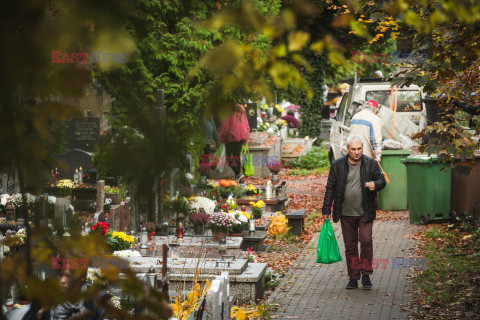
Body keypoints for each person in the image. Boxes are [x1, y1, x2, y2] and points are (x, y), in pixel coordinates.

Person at [321, 134, 386, 290]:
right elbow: (330, 188)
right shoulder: (337, 165)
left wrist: (375, 184)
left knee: (365, 241)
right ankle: (353, 277)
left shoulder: (370, 164)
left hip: (365, 211)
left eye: (359, 148)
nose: (357, 152)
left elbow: (382, 180)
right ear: (347, 149)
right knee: (350, 246)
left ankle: (365, 275)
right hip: (345, 213)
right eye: (353, 149)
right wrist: (326, 208)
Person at [218, 104, 250, 182]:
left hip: (232, 136)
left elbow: (225, 125)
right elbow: (246, 123)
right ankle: (239, 179)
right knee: (237, 157)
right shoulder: (241, 108)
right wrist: (246, 135)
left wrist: (222, 137)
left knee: (228, 158)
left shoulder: (228, 108)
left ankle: (238, 173)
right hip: (241, 135)